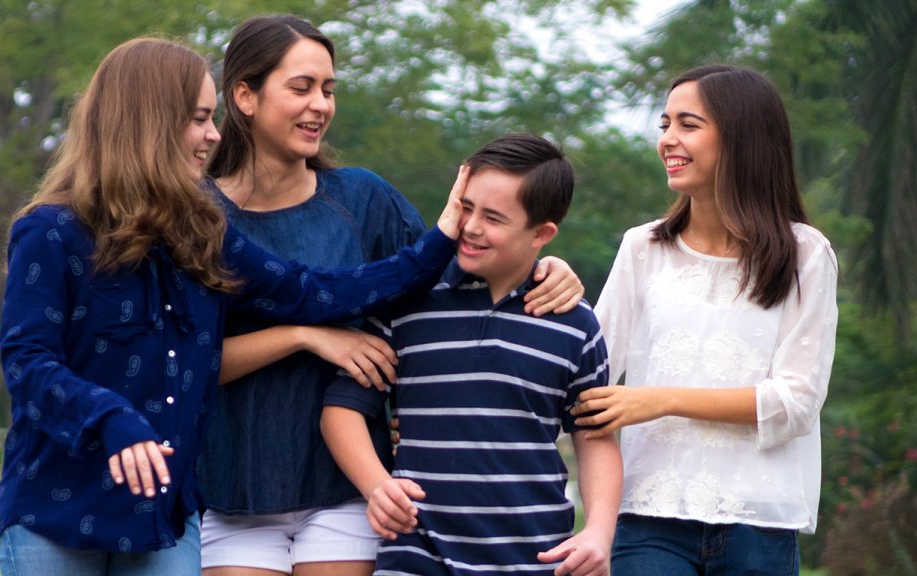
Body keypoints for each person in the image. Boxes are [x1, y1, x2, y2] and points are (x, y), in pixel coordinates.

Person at [0, 36, 467, 576]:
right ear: (150, 122)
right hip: (55, 510)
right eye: (198, 119)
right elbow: (28, 364)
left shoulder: (203, 230)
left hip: (162, 518)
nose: (213, 135)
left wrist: (449, 235)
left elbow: (315, 291)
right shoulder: (50, 231)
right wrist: (111, 419)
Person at [197, 15, 585, 576]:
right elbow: (187, 362)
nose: (320, 106)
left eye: (328, 90)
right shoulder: (198, 215)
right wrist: (304, 336)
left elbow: (452, 279)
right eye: (301, 87)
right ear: (244, 96)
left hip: (348, 492)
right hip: (233, 491)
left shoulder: (363, 198)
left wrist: (546, 266)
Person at [572, 64, 839, 575]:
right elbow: (586, 373)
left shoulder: (806, 253)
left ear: (742, 138)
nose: (668, 140)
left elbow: (796, 402)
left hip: (759, 522)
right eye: (664, 125)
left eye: (688, 125)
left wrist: (660, 399)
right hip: (649, 518)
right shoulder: (642, 247)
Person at [320, 134, 622, 576]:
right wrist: (377, 486)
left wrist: (598, 531)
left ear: (542, 233)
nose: (472, 226)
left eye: (494, 217)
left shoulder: (574, 323)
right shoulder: (409, 301)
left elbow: (594, 439)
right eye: (466, 207)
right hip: (416, 558)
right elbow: (342, 409)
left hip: (535, 561)